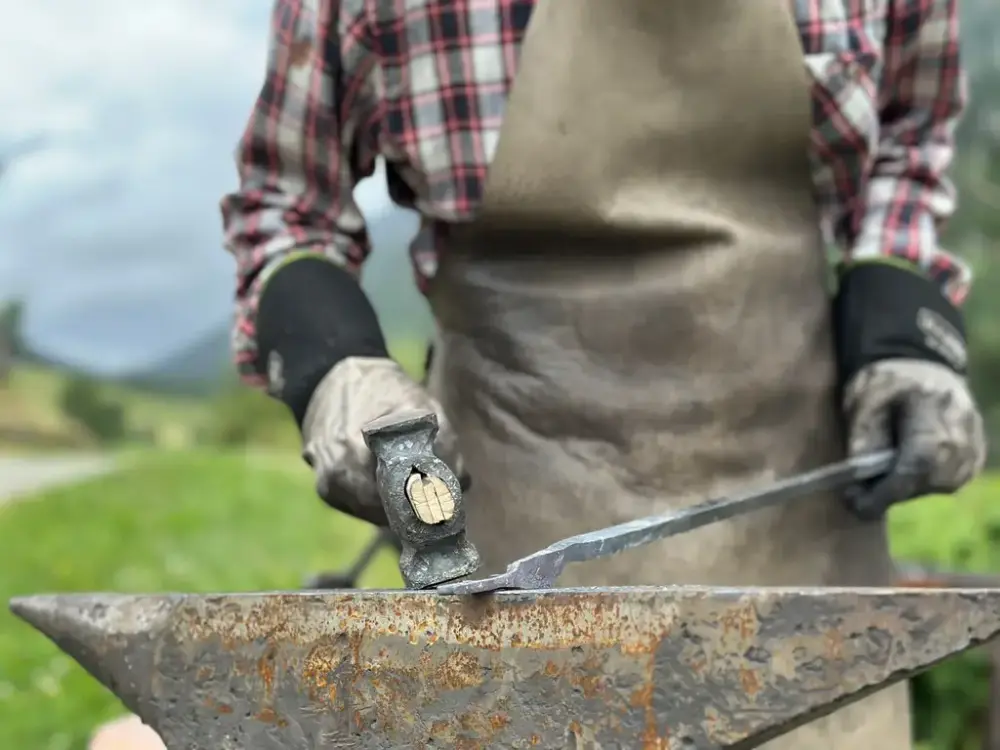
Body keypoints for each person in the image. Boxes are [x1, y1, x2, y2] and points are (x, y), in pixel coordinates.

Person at [217, 0, 986, 747]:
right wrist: (336, 369)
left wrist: (904, 337)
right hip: (510, 555)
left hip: (808, 571)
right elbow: (286, 204)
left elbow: (910, 136)